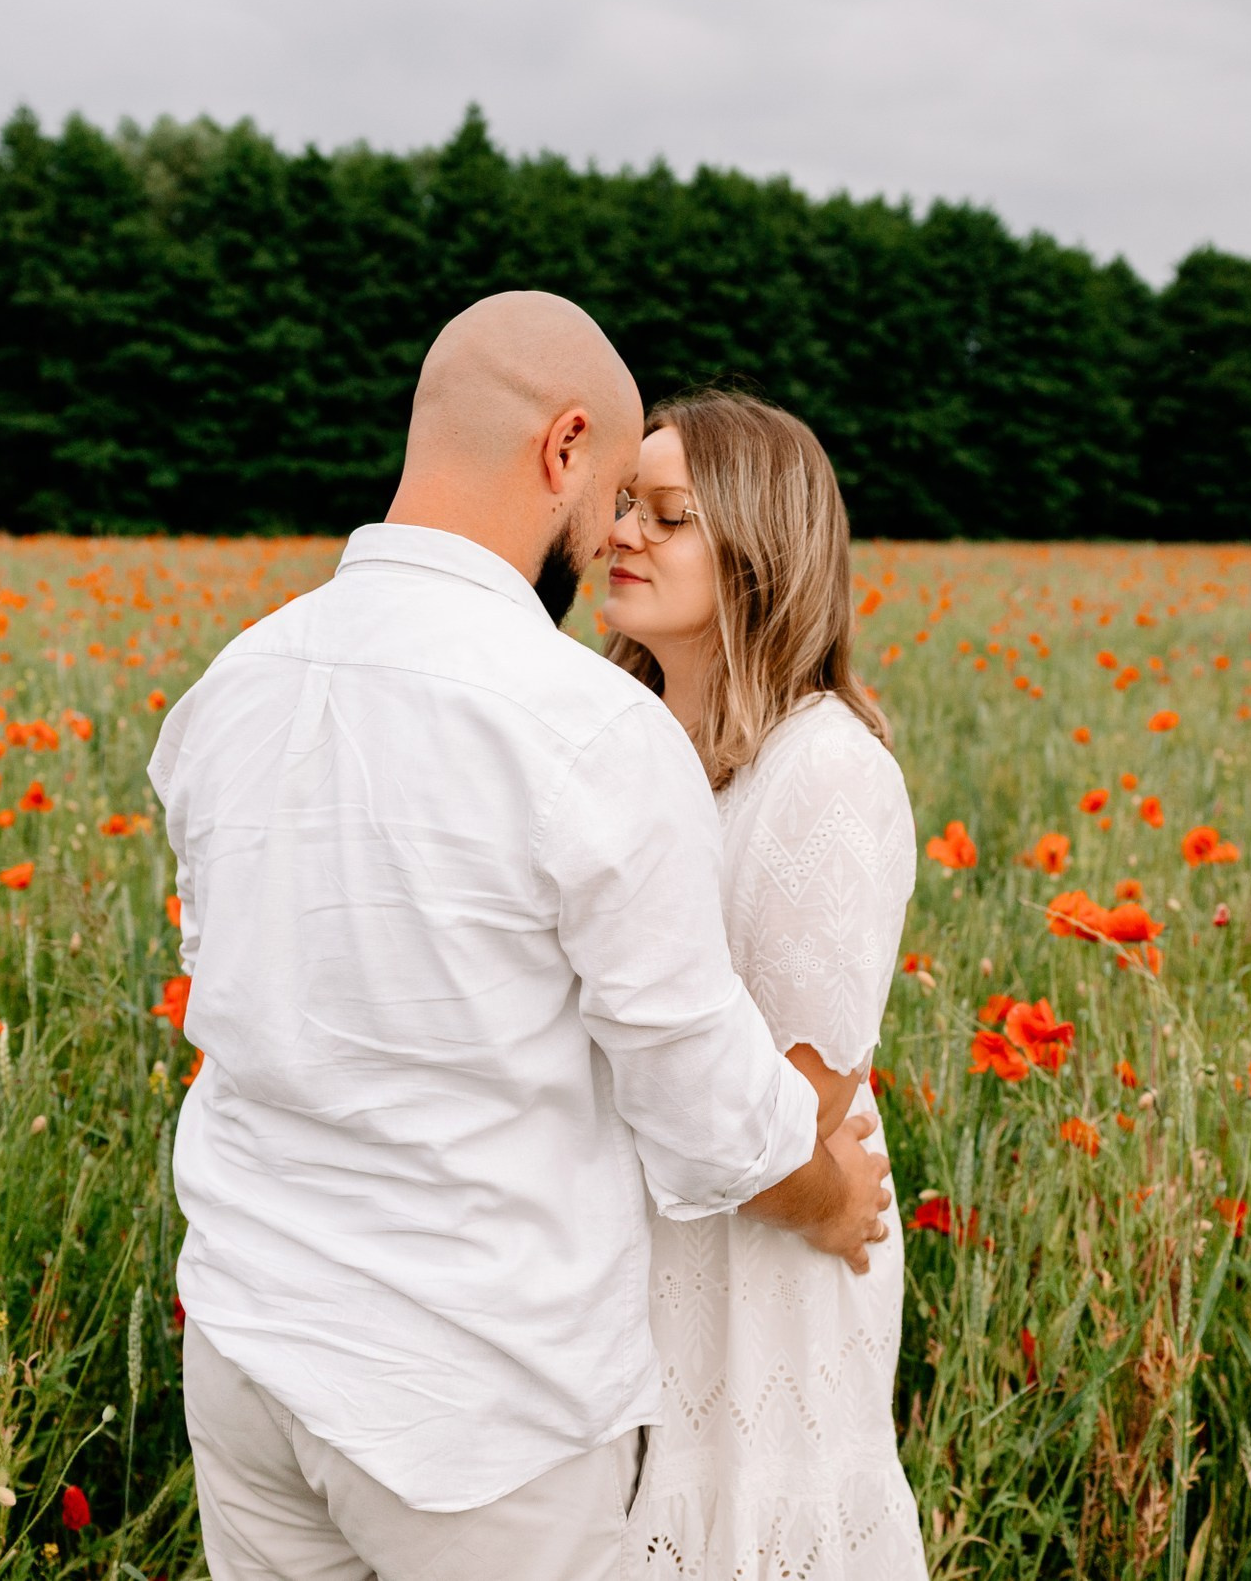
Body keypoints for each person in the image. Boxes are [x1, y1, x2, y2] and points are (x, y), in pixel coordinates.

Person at [146, 292, 892, 1581]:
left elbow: (241, 994)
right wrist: (828, 1189)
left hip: (250, 1345)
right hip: (475, 1409)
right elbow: (704, 1103)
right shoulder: (585, 728)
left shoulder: (233, 685)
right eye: (614, 493)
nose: (613, 534)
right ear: (561, 450)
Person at [603, 391, 928, 1580]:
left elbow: (798, 1110)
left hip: (763, 1260)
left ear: (760, 548)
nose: (622, 532)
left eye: (668, 515)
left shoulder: (825, 776)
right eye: (623, 505)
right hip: (625, 1241)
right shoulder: (621, 745)